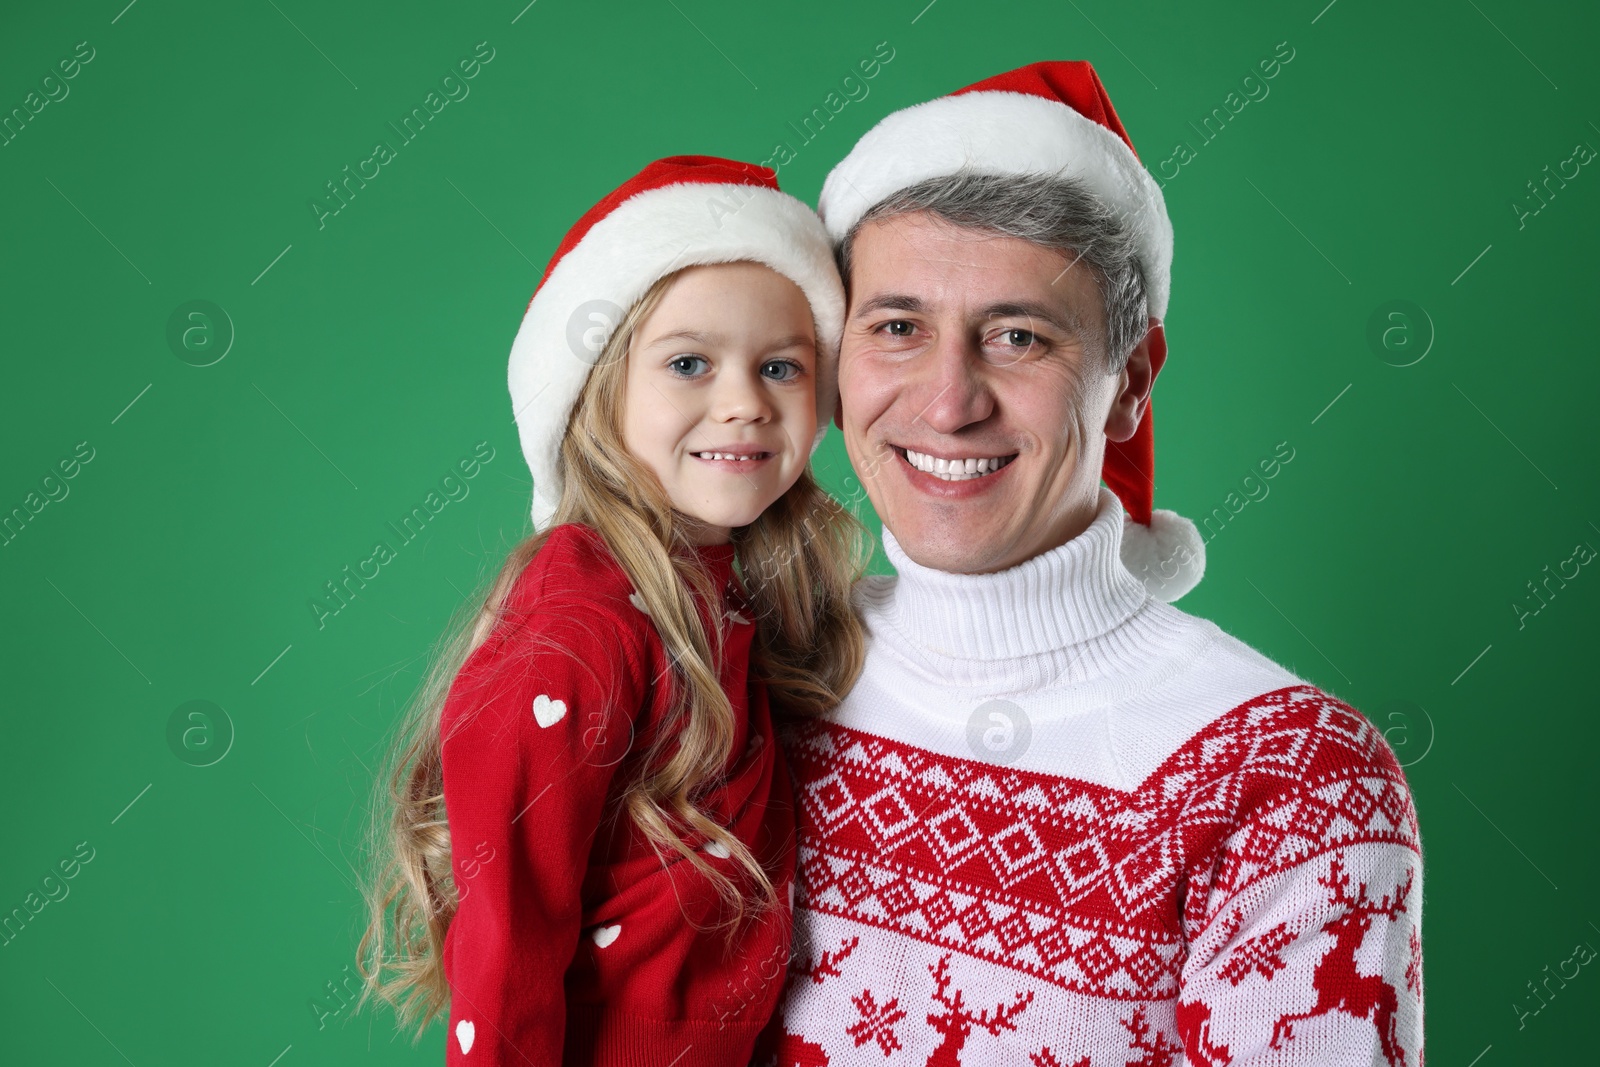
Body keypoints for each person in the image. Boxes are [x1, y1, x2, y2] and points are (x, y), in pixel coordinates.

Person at [762, 63, 1423, 1066]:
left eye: (1018, 337)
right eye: (897, 327)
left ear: (1129, 384)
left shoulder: (1290, 785)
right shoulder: (756, 674)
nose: (948, 403)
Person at [357, 155, 868, 1066]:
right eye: (688, 363)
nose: (744, 402)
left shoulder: (742, 588)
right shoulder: (582, 620)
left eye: (781, 365)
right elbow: (509, 933)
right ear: (599, 387)